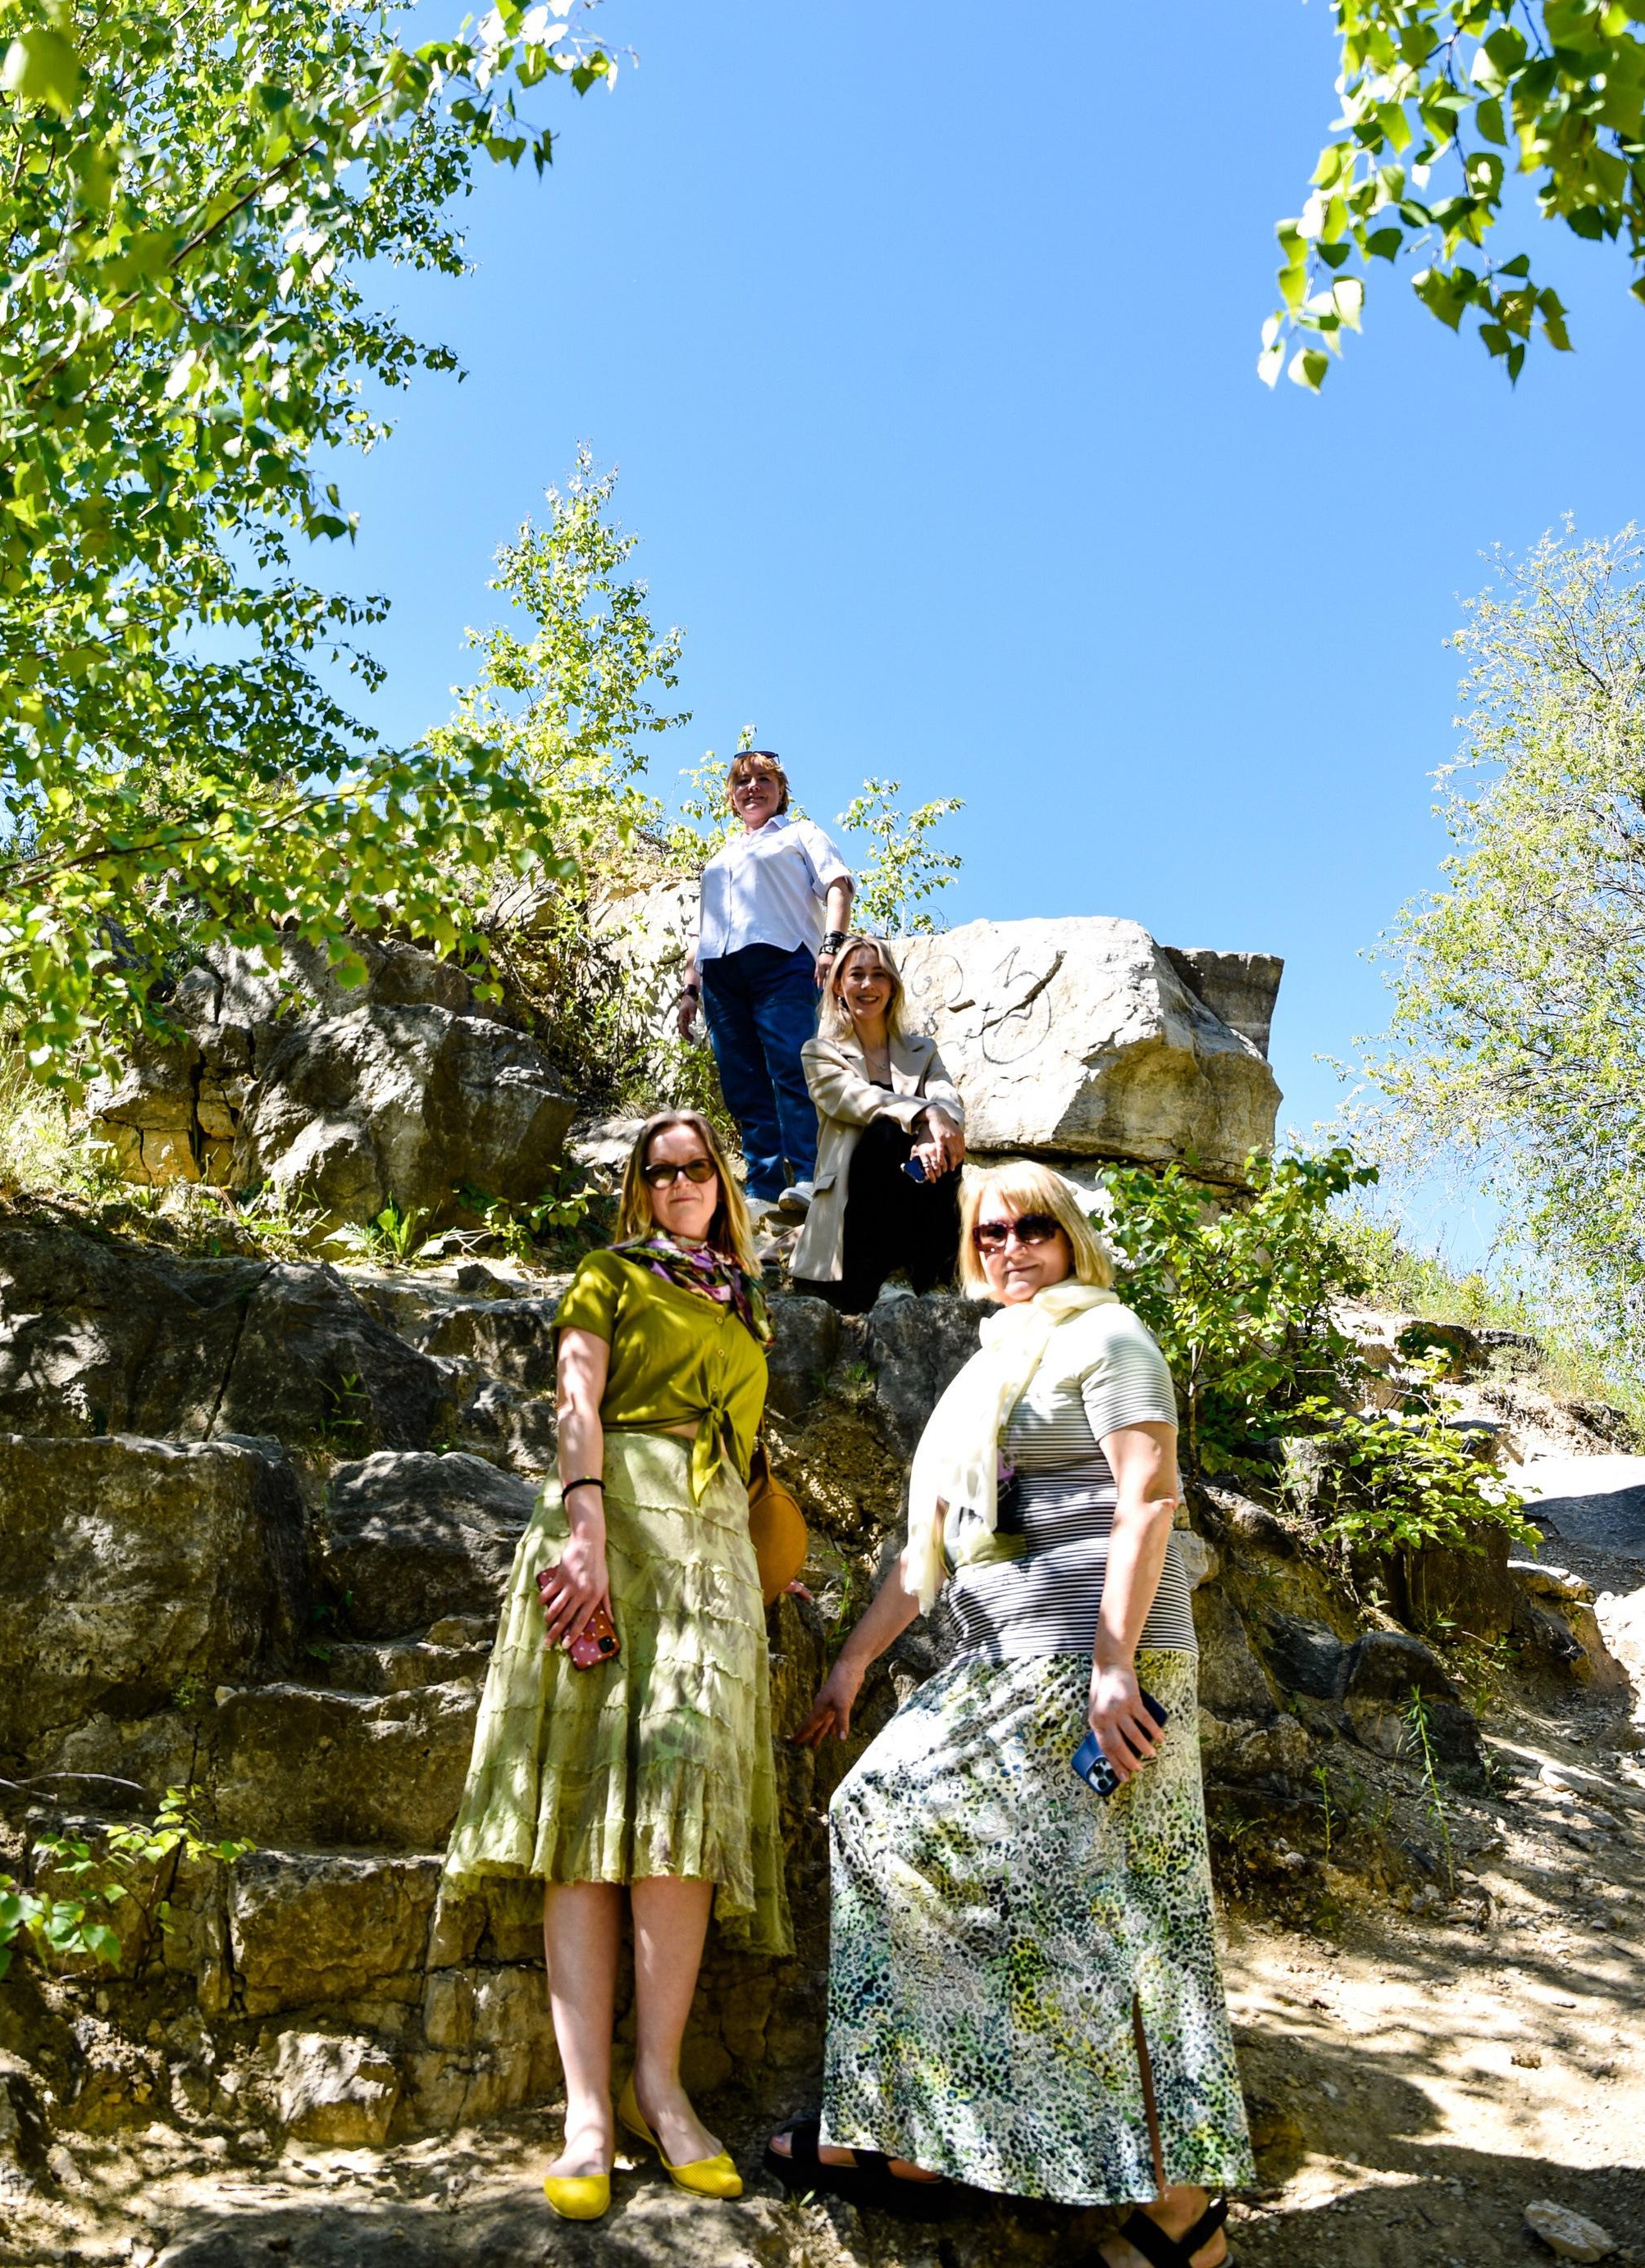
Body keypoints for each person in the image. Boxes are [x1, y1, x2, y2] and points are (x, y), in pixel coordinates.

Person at [769, 1159, 1251, 2263]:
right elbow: (929, 1547)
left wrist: (1115, 1669)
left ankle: (1179, 2210)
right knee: (889, 1816)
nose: (1010, 1246)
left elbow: (1150, 1502)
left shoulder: (1110, 1339)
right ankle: (930, 2125)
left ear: (1071, 1236)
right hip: (1008, 1662)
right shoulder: (994, 1365)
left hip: (1097, 1668)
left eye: (1033, 1226)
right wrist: (849, 1666)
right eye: (989, 1233)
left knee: (1138, 1915)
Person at [440, 1108, 791, 2223]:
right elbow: (578, 1399)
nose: (679, 1179)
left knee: (680, 1815)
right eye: (660, 1167)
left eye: (696, 1166)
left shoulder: (744, 1301)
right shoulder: (608, 1273)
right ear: (640, 1185)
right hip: (613, 1530)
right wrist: (584, 1527)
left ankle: (661, 2086)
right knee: (588, 1821)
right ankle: (588, 2111)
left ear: (721, 1184)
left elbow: (747, 1455)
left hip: (712, 1555)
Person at [676, 746, 853, 1224]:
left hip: (782, 961)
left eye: (763, 780)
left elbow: (838, 885)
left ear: (780, 793)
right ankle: (763, 1183)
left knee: (792, 1068)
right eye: (742, 782)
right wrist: (691, 988)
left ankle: (809, 1177)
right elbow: (703, 928)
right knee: (743, 1082)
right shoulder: (722, 854)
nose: (752, 787)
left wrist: (832, 944)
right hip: (721, 976)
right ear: (732, 798)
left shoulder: (800, 833)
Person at [790, 936, 967, 1312]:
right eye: (857, 975)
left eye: (878, 975)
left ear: (892, 987)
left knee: (945, 1140)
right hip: (854, 1237)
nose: (868, 985)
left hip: (918, 1202)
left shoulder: (923, 1050)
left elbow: (947, 1099)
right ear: (839, 985)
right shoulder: (819, 1052)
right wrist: (924, 1114)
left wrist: (929, 1128)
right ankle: (891, 1273)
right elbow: (857, 1100)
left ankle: (931, 1272)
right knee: (885, 1133)